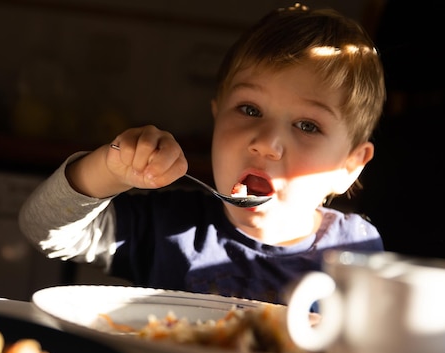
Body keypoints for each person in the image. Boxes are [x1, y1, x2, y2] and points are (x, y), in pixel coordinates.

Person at [19, 3, 386, 305]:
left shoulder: (355, 251)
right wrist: (109, 167)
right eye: (250, 110)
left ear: (350, 166)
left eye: (308, 126)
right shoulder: (171, 229)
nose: (265, 143)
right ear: (216, 115)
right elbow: (42, 229)